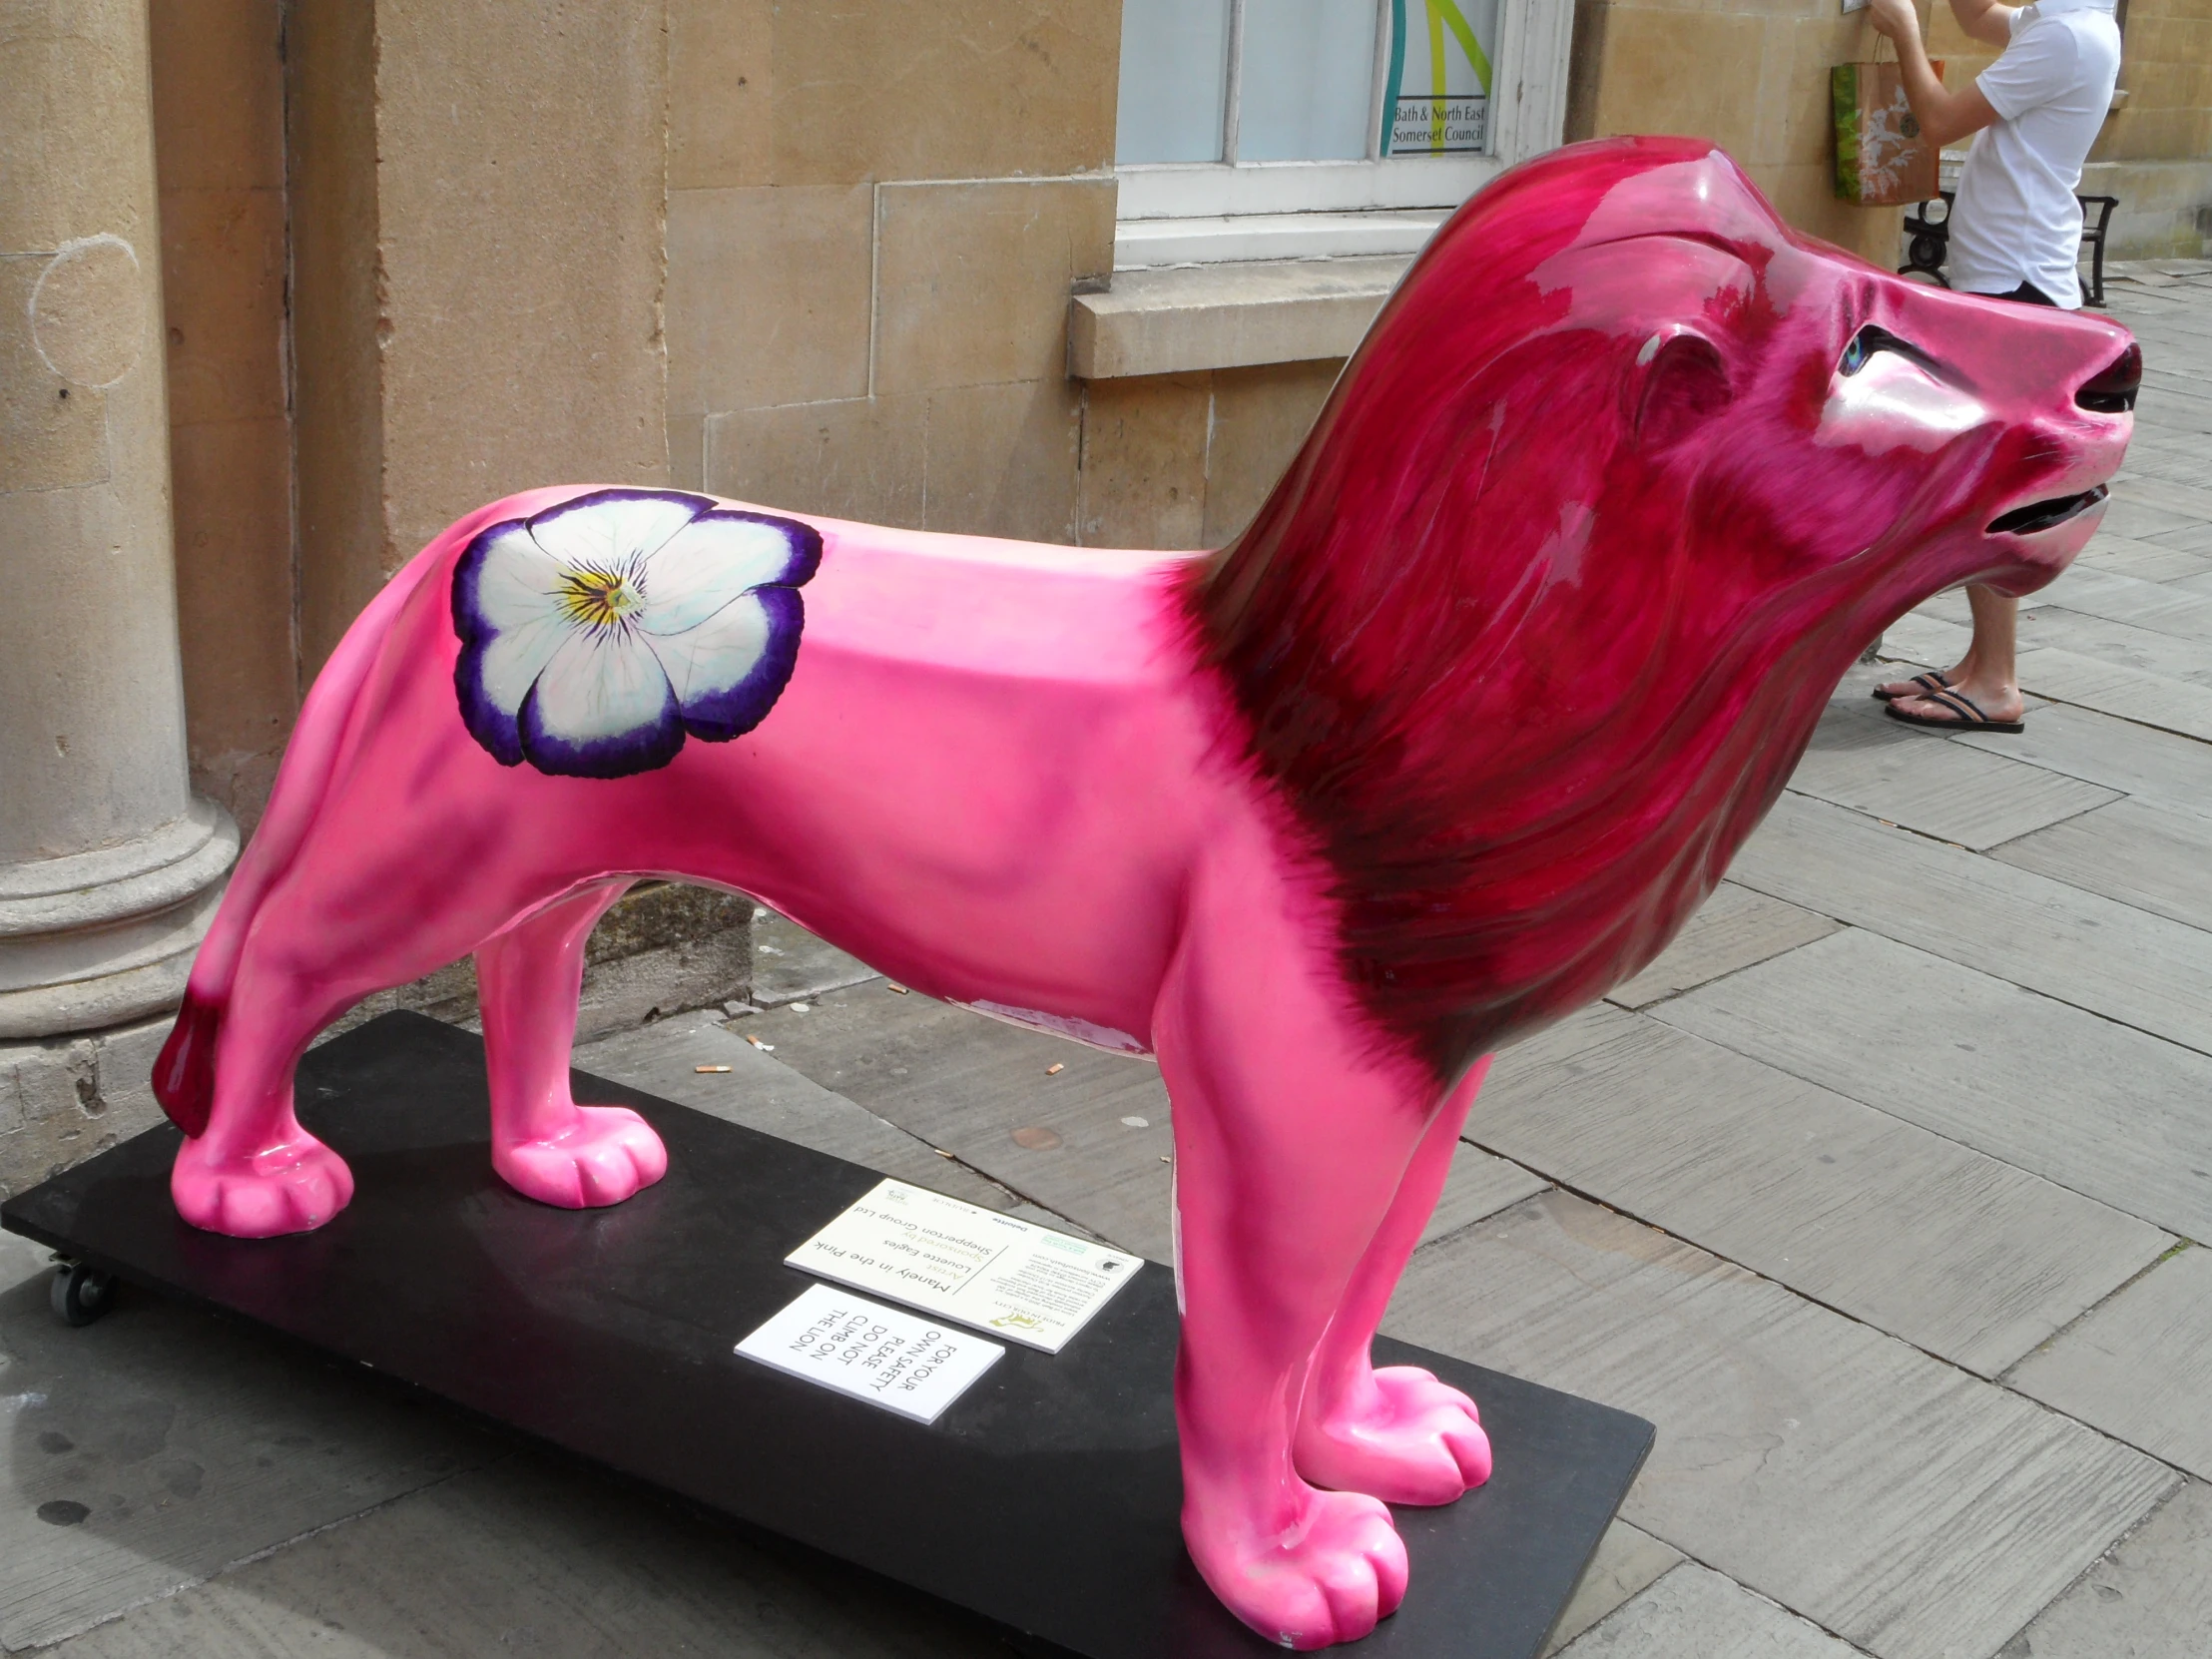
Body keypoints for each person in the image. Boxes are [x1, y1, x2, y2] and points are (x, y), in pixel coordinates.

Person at [1865, 0, 2121, 732]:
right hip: (2007, 273)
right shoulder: (2066, 18)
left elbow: (1941, 119)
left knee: (1994, 483)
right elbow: (1980, 18)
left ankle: (1997, 681)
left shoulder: (2070, 35)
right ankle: (1979, 664)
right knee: (1987, 474)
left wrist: (1907, 32)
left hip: (2015, 280)